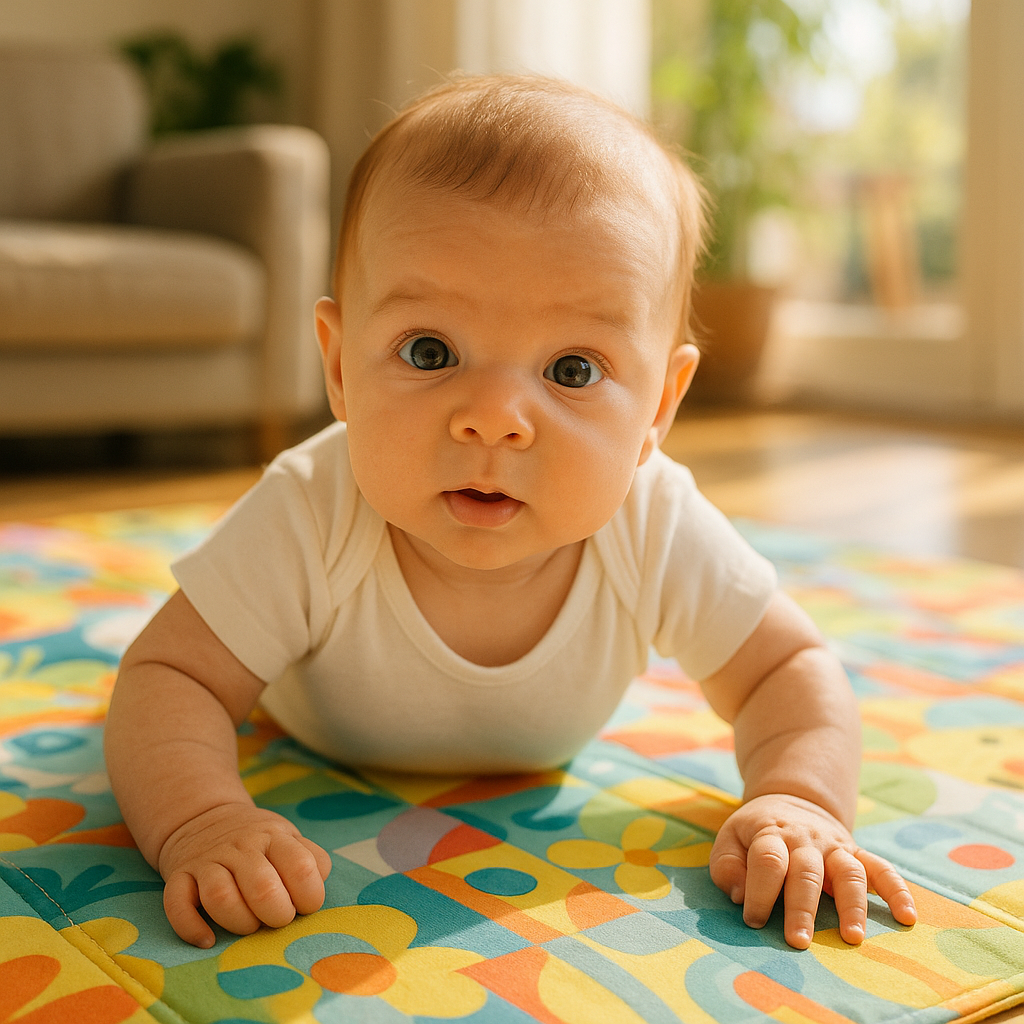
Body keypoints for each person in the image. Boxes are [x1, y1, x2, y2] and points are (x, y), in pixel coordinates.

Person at [104, 74, 917, 951]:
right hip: (306, 736)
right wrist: (201, 820)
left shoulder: (652, 521)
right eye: (430, 351)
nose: (493, 419)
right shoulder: (312, 509)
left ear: (657, 408)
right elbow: (169, 677)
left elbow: (786, 668)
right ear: (339, 368)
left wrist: (798, 796)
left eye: (572, 370)